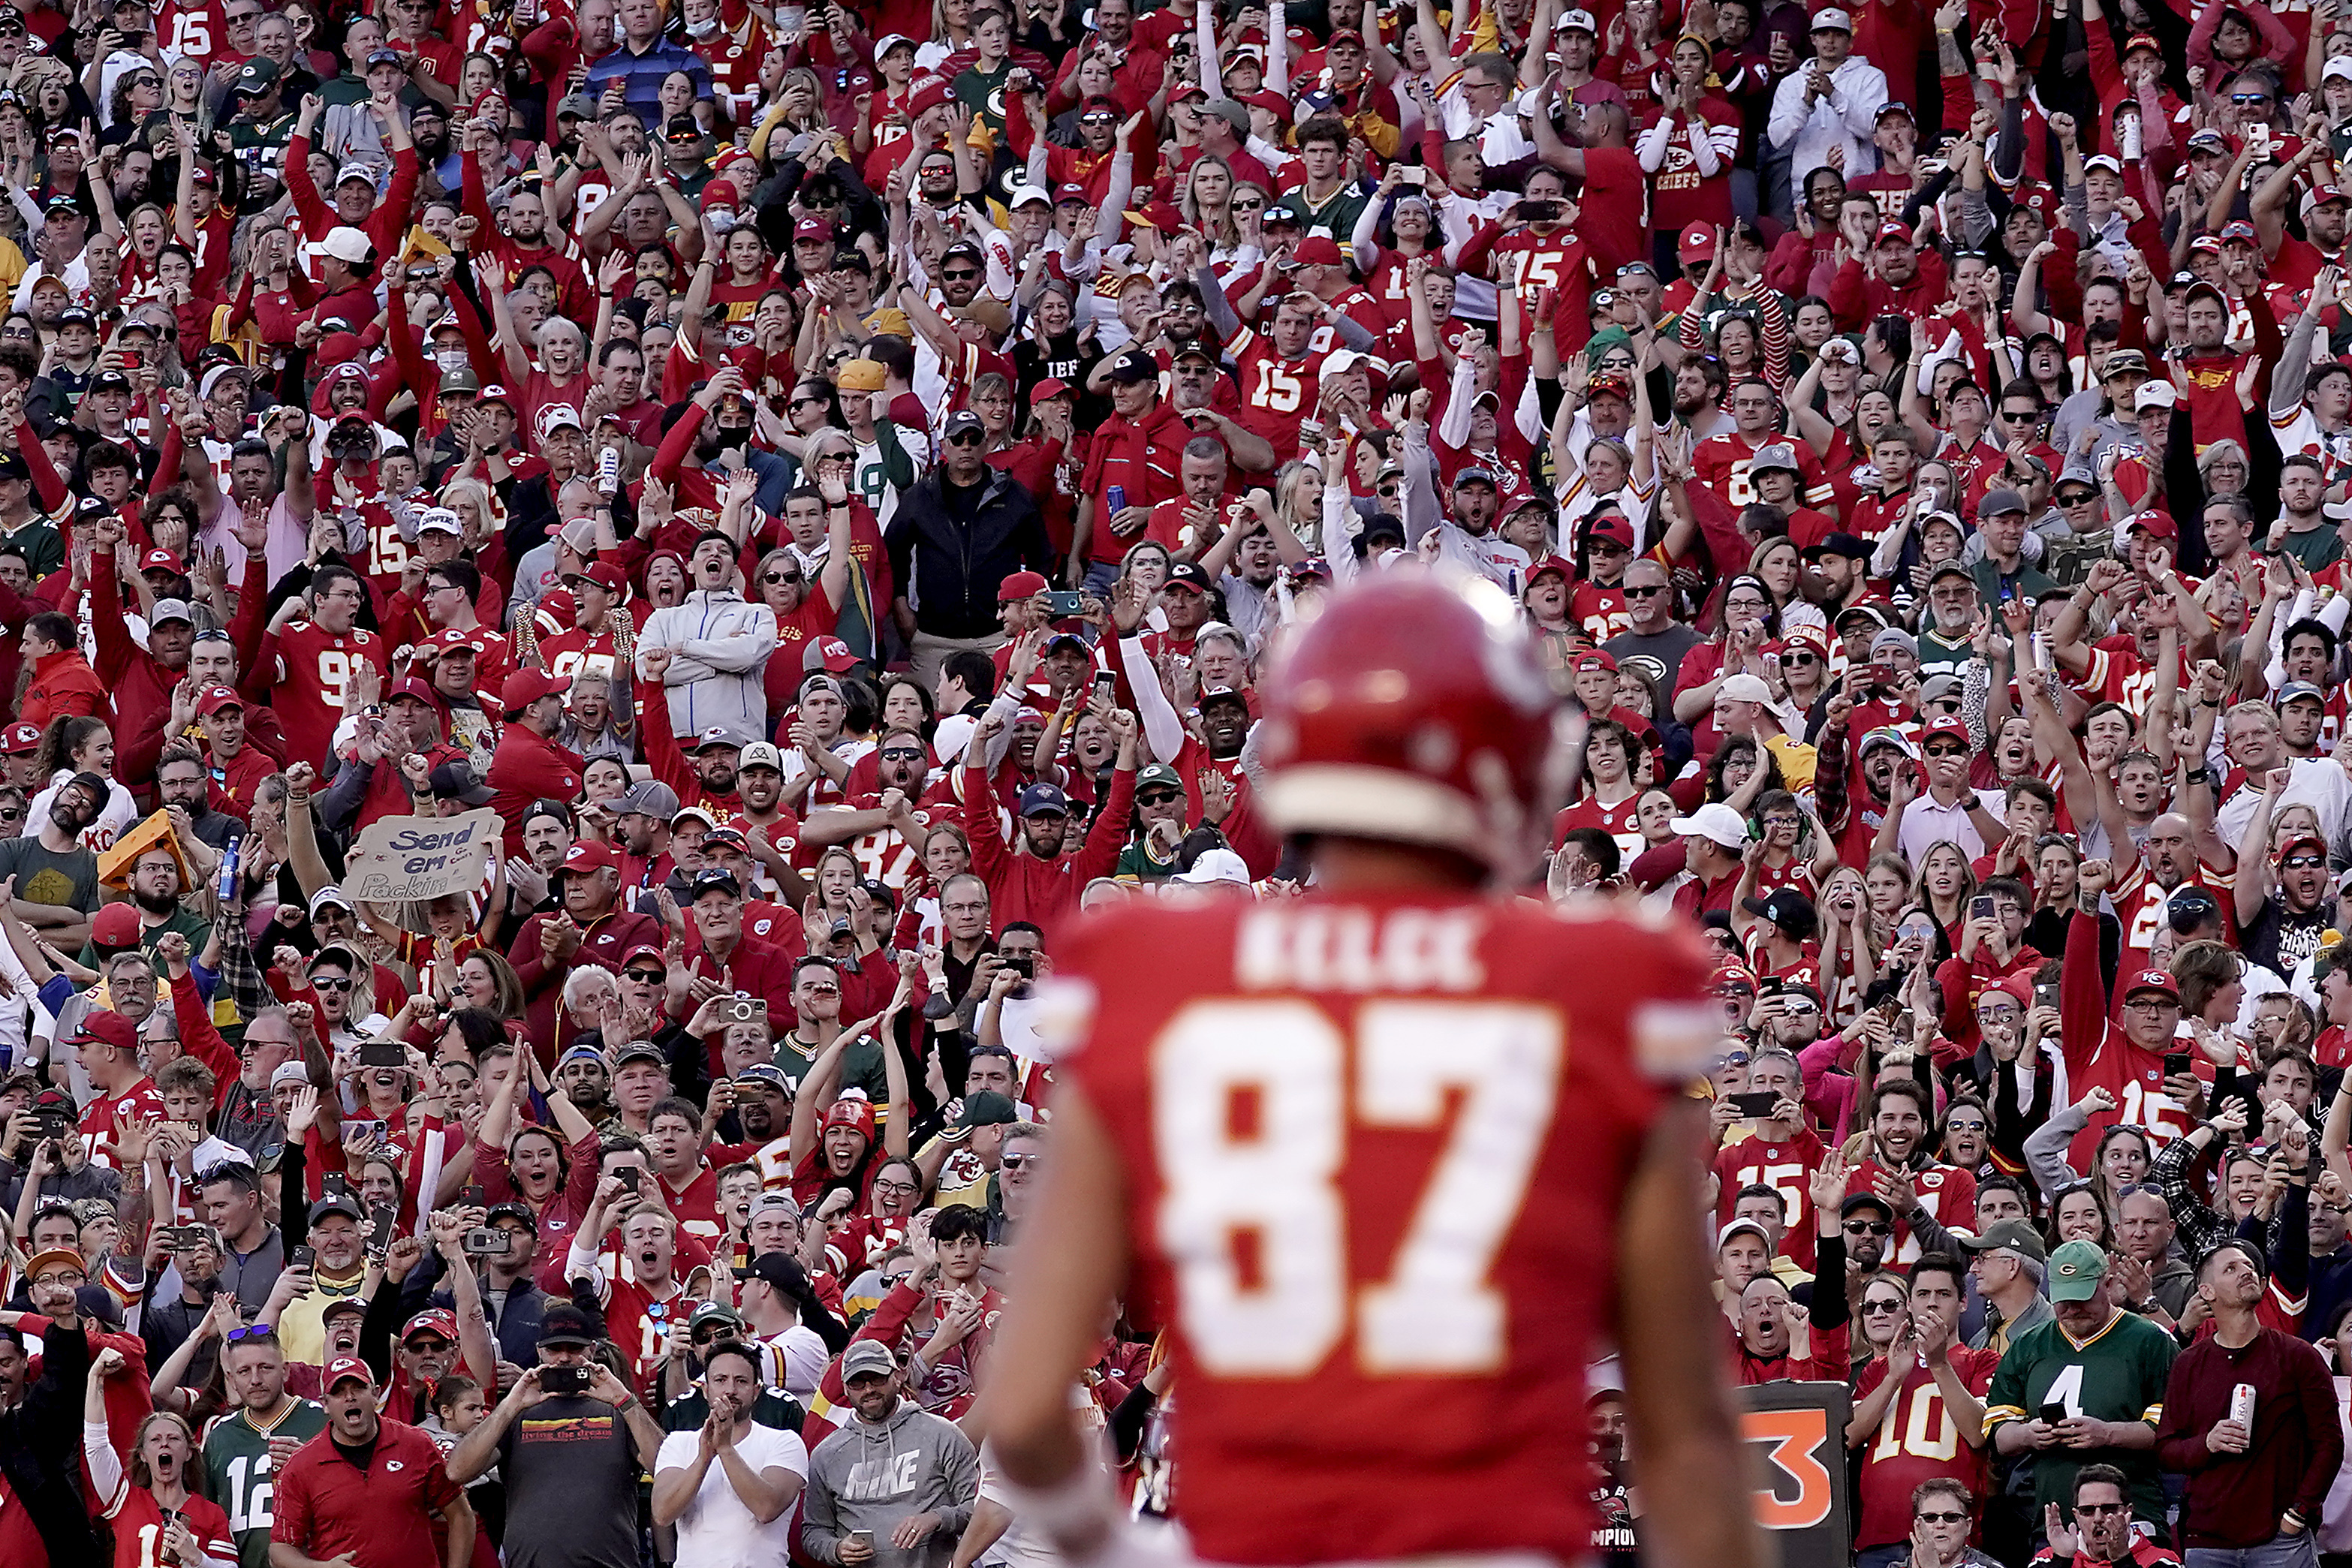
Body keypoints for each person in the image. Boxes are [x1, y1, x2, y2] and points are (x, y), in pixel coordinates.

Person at [984, 575, 1757, 1568]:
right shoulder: (1600, 984)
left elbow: (1021, 1409)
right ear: (1516, 764)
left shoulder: (1160, 974)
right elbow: (1685, 1432)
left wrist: (1112, 1549)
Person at [2152, 1239, 2341, 1563]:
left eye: (2250, 1267)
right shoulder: (2189, 1363)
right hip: (2208, 1540)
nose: (2246, 1272)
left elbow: (2329, 1442)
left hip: (2280, 1541)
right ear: (2206, 1292)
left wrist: (2298, 1514)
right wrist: (2207, 1443)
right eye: (2231, 1268)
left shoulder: (2299, 1357)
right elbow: (2166, 1449)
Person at [444, 1304, 664, 1568]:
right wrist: (509, 1405)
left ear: (592, 1350)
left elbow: (666, 1469)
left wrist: (625, 1402)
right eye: (554, 1349)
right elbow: (457, 1472)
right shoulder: (517, 1412)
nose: (563, 1358)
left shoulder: (620, 1410)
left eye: (574, 1349)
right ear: (539, 1352)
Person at [1985, 1240, 2181, 1534]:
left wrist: (2107, 1434)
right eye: (2065, 1300)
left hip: (2133, 1518)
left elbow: (2171, 1431)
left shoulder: (2151, 1341)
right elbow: (1998, 1434)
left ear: (2108, 1284)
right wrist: (2028, 1434)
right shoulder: (2028, 1344)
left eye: (2083, 1297)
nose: (2074, 1309)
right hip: (2055, 1522)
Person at [268, 1356, 477, 1568]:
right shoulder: (302, 1466)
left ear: (376, 1394)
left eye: (359, 1388)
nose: (350, 1397)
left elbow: (461, 1515)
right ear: (325, 1404)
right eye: (338, 1392)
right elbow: (280, 1549)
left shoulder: (415, 1444)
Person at [800, 1339, 978, 1568]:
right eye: (857, 1383)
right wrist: (836, 1548)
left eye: (878, 1378)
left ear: (896, 1377)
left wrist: (937, 1518)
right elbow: (813, 1531)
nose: (869, 1389)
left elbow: (981, 1508)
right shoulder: (827, 1454)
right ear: (845, 1388)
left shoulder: (942, 1435)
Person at [652, 1338, 807, 1564]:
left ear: (756, 1392)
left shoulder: (784, 1442)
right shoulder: (678, 1442)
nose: (730, 1390)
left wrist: (724, 1449)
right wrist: (704, 1458)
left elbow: (766, 1509)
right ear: (705, 1390)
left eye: (741, 1381)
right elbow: (663, 1513)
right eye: (720, 1380)